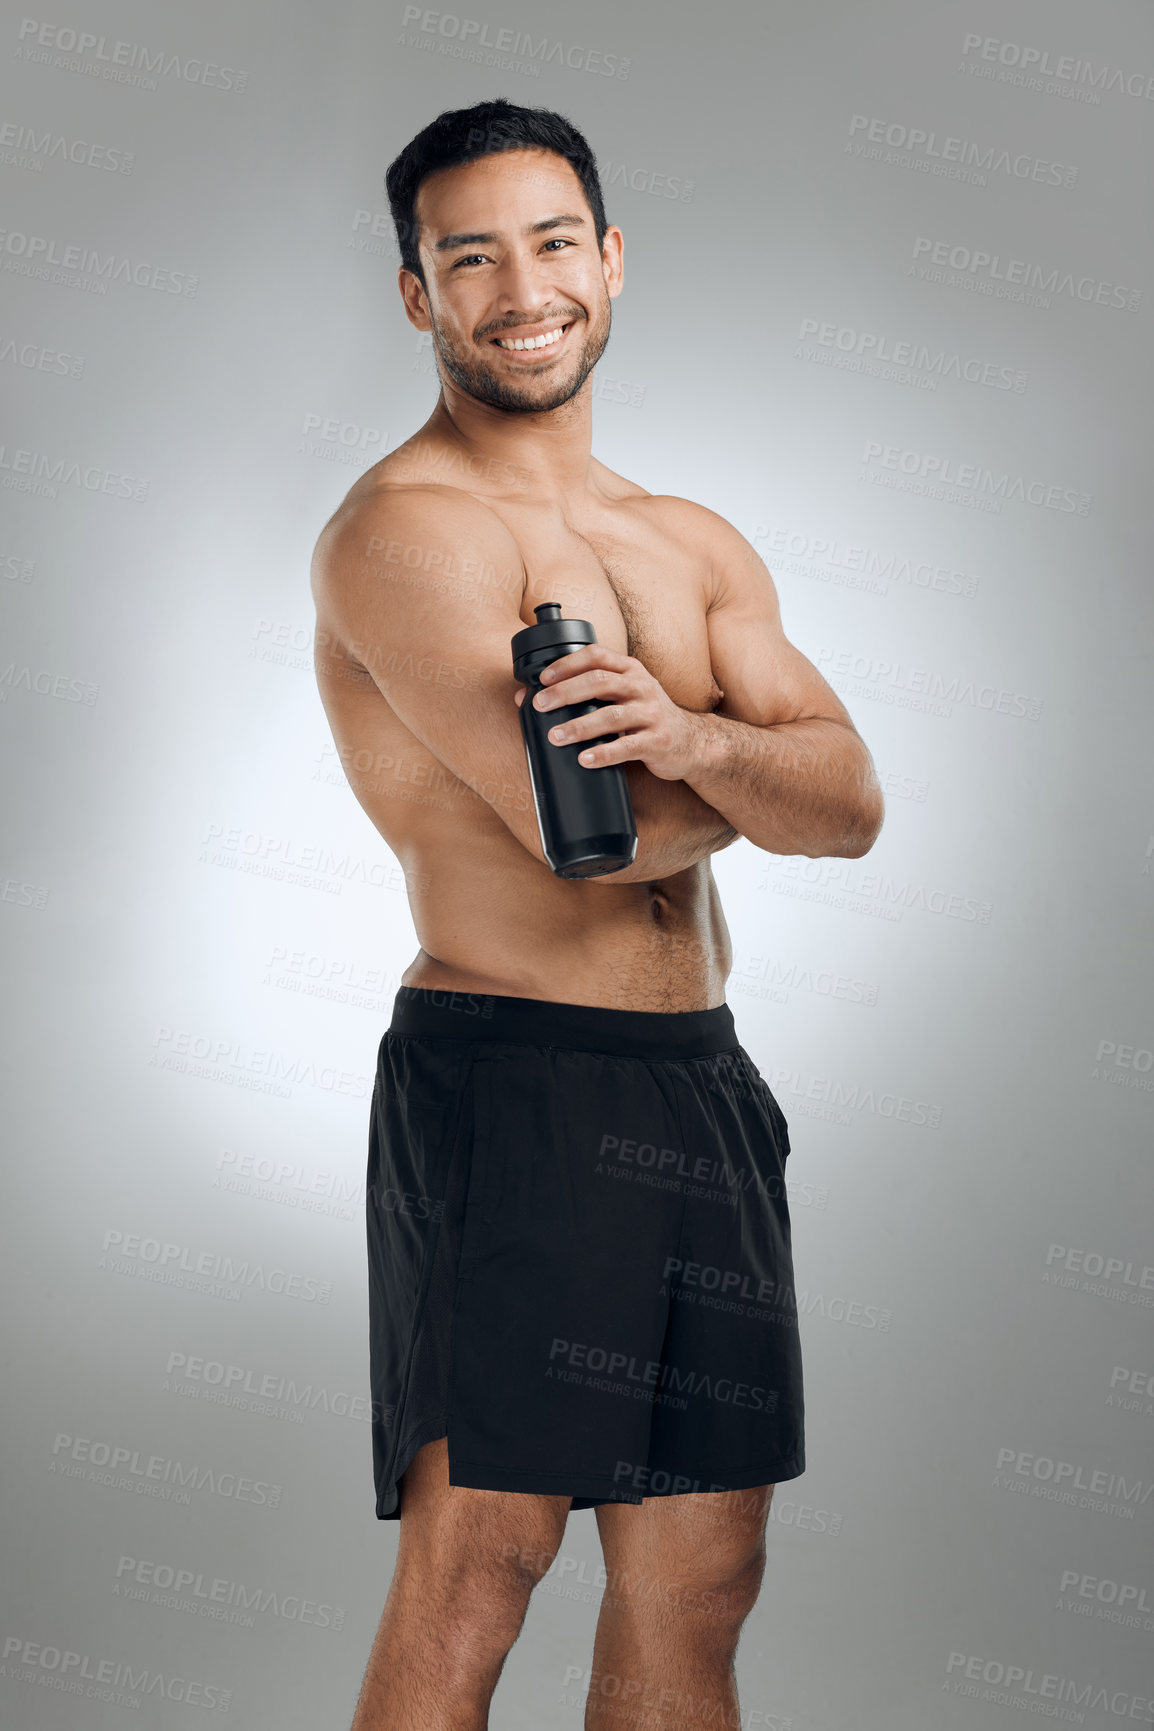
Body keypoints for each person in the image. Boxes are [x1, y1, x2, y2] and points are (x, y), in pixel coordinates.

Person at [310, 96, 884, 1731]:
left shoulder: (685, 540)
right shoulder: (404, 534)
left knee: (700, 1582)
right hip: (513, 1085)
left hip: (696, 1081)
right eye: (467, 256)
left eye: (553, 242)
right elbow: (595, 838)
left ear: (610, 260)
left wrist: (704, 735)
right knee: (480, 1571)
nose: (521, 288)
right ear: (419, 296)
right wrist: (757, 772)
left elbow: (852, 805)